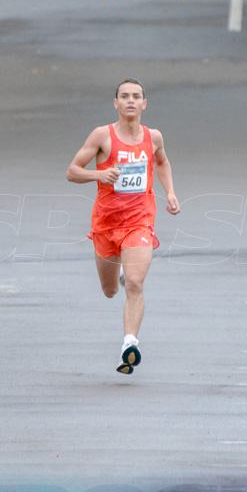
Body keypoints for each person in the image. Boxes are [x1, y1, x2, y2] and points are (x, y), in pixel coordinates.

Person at [67, 79, 180, 374]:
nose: (131, 100)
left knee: (135, 283)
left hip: (139, 222)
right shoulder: (102, 136)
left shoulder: (153, 137)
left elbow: (163, 162)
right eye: (124, 96)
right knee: (109, 291)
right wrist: (98, 176)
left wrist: (169, 191)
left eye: (136, 96)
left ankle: (129, 344)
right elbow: (72, 171)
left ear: (145, 104)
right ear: (115, 103)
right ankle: (116, 270)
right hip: (106, 225)